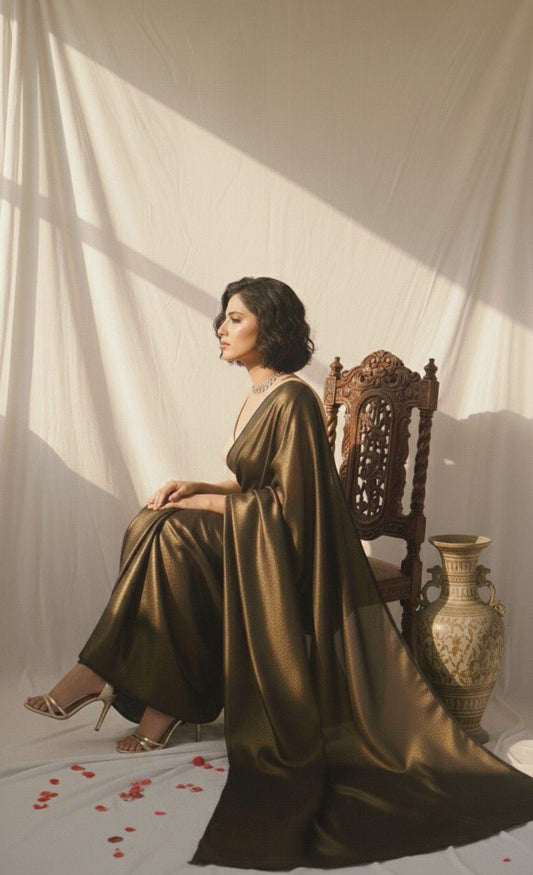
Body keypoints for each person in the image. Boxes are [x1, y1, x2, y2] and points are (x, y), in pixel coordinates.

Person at [25, 277, 533, 869]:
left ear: (270, 327)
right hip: (259, 530)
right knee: (153, 522)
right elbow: (250, 481)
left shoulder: (291, 398)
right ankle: (153, 703)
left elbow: (293, 508)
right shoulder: (257, 395)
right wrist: (195, 486)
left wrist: (209, 506)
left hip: (293, 549)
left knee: (174, 535)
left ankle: (101, 676)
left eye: (234, 319)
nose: (220, 327)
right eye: (223, 317)